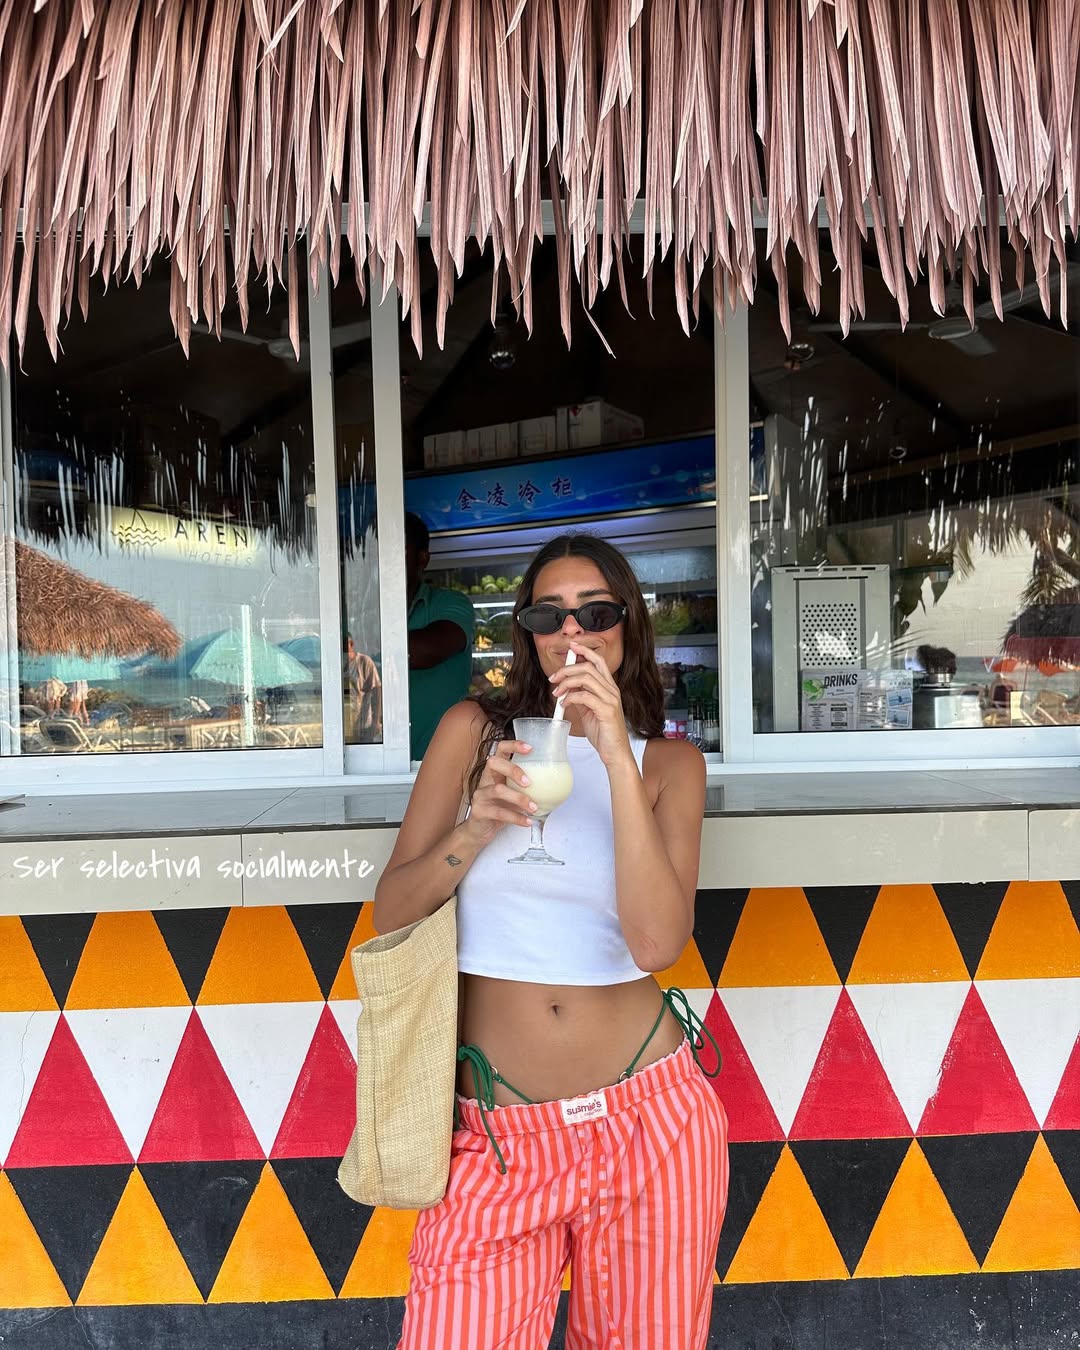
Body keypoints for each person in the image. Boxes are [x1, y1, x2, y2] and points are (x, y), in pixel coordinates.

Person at [375, 533, 728, 1349]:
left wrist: (615, 754)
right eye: (548, 614)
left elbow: (656, 944)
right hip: (498, 1137)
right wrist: (477, 827)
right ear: (527, 633)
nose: (573, 631)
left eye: (596, 612)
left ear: (629, 624)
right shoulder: (473, 733)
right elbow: (392, 913)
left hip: (652, 1127)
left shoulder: (671, 765)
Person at [405, 511, 474, 760]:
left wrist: (366, 643)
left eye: (397, 550)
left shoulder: (452, 603)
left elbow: (425, 651)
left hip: (441, 761)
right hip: (371, 759)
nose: (382, 559)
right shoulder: (363, 613)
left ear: (422, 559)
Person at [345, 633, 383, 743]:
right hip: (345, 725)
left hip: (364, 724)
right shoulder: (338, 666)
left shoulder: (364, 662)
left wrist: (376, 721)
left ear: (351, 644)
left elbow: (376, 691)